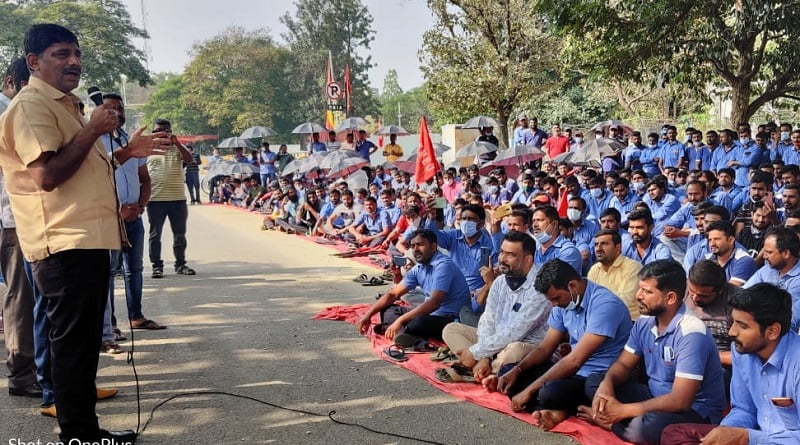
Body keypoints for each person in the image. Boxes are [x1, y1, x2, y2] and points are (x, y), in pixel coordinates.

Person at [0, 23, 167, 442]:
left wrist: (126, 153)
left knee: (82, 343)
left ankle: (85, 430)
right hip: (63, 241)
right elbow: (47, 176)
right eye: (61, 54)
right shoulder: (31, 106)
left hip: (89, 239)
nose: (73, 61)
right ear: (34, 61)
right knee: (72, 346)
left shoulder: (66, 105)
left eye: (76, 54)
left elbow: (86, 170)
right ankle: (78, 434)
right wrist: (93, 130)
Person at [584, 260, 726, 445]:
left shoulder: (691, 333)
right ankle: (620, 418)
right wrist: (607, 385)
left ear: (671, 298)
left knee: (649, 427)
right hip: (654, 395)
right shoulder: (645, 321)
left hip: (694, 410)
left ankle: (611, 423)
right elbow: (624, 364)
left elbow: (680, 400)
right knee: (595, 383)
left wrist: (624, 411)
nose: (638, 296)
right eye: (640, 289)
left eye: (647, 292)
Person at [483, 259, 632, 431]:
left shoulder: (605, 305)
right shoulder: (563, 303)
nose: (553, 305)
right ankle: (558, 409)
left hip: (598, 375)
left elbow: (575, 360)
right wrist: (517, 370)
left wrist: (530, 390)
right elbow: (545, 348)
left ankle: (559, 410)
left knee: (549, 393)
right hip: (572, 371)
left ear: (572, 286)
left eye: (556, 298)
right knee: (509, 373)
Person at [661, 283, 800, 445]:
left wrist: (747, 437)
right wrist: (726, 432)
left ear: (772, 331)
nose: (732, 332)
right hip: (757, 437)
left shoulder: (796, 362)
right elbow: (744, 409)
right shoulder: (742, 350)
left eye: (743, 326)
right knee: (674, 433)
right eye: (733, 322)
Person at [441, 232, 551, 381]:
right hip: (495, 342)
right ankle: (482, 368)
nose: (502, 259)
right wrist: (483, 356)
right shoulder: (499, 282)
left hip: (525, 344)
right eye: (501, 252)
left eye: (510, 254)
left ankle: (476, 369)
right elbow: (488, 320)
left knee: (514, 351)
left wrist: (476, 352)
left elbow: (516, 331)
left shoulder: (540, 286)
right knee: (451, 329)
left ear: (527, 259)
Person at [0, 57, 39, 398]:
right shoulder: (14, 113)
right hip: (11, 220)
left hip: (12, 217)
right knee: (21, 298)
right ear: (12, 82)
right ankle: (23, 374)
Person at [357, 229, 470, 343]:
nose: (415, 249)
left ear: (433, 246)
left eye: (420, 244)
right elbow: (393, 293)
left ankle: (405, 333)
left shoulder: (443, 266)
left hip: (450, 318)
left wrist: (400, 320)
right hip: (431, 313)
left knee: (420, 321)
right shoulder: (419, 267)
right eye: (412, 246)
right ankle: (405, 334)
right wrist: (368, 315)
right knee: (388, 308)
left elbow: (434, 304)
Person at [147, 118, 197, 278]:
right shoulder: (148, 149)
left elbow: (190, 161)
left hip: (177, 200)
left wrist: (177, 143)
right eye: (158, 130)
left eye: (166, 130)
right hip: (155, 200)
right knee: (155, 235)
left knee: (180, 235)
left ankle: (180, 265)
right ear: (153, 133)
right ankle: (157, 266)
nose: (163, 133)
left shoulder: (177, 148)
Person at [743, 226, 800, 333]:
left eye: (769, 252)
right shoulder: (767, 269)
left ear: (786, 253)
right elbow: (744, 294)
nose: (763, 256)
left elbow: (789, 319)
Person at [587, 229, 643, 320]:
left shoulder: (633, 268)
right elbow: (587, 299)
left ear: (618, 248)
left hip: (628, 322)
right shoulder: (595, 269)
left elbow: (621, 303)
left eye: (604, 244)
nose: (599, 249)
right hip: (600, 319)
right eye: (596, 244)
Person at [703, 220, 757, 286]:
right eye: (710, 240)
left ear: (731, 240)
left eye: (717, 239)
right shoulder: (707, 259)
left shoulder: (744, 261)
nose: (712, 244)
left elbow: (730, 292)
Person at [532, 206, 582, 274]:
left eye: (540, 220)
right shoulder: (535, 248)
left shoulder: (568, 251)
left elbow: (555, 282)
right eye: (533, 221)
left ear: (554, 224)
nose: (535, 225)